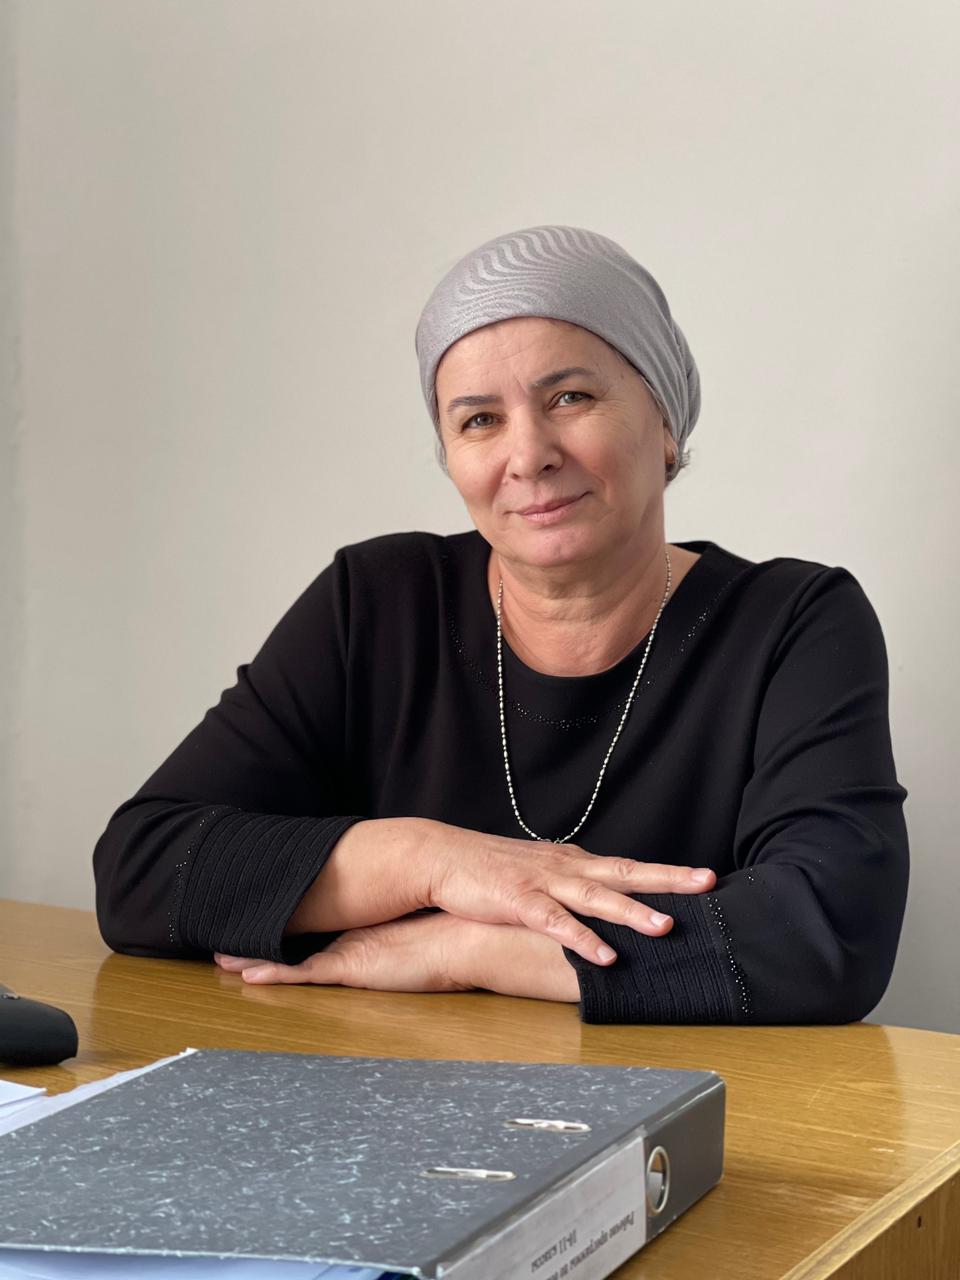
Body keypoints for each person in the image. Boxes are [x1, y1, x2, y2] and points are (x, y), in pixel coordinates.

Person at [92, 224, 909, 1024]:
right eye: (479, 420)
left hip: (704, 1095)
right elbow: (144, 870)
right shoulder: (375, 601)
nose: (529, 456)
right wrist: (436, 863)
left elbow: (828, 933)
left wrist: (464, 950)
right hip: (379, 1079)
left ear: (664, 421)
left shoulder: (794, 622)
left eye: (570, 398)